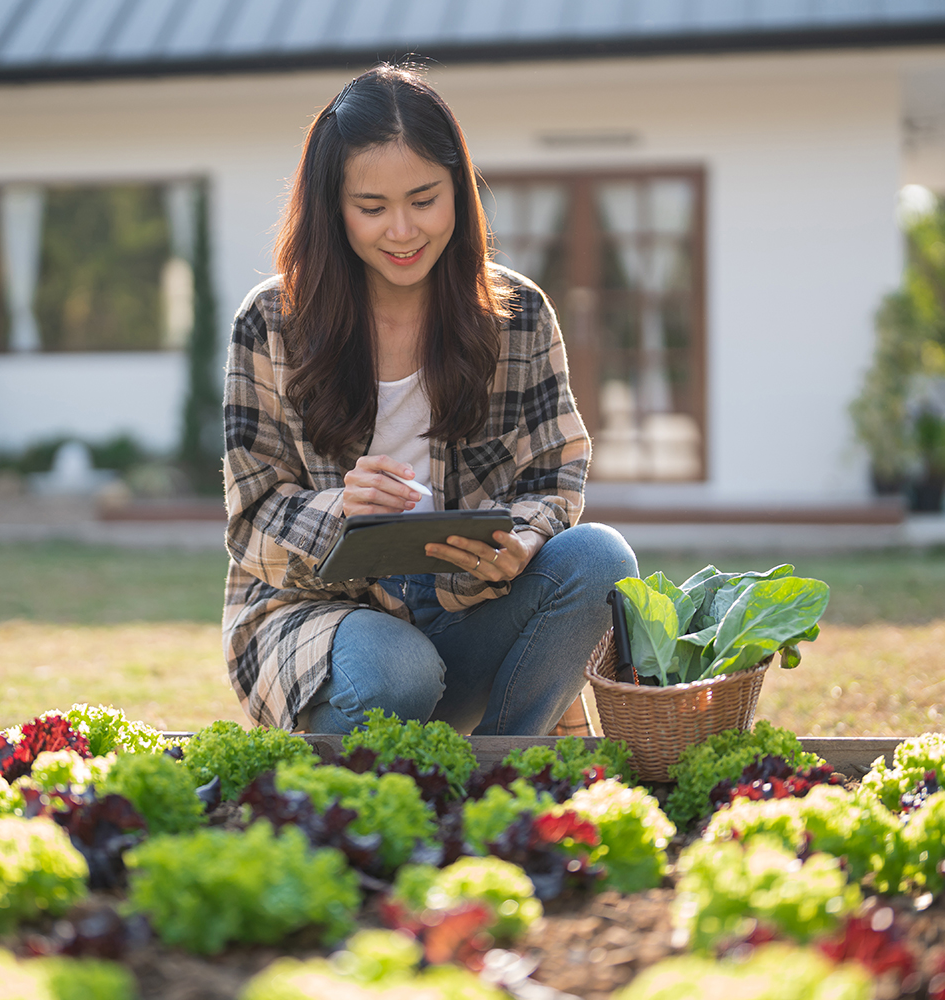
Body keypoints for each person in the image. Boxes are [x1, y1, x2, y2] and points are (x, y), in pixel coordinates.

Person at [222, 64, 637, 736]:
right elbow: (250, 526)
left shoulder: (518, 315)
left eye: (424, 199)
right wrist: (341, 511)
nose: (403, 231)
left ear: (459, 190)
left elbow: (555, 479)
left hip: (472, 600)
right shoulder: (270, 322)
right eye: (372, 208)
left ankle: (508, 768)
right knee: (397, 672)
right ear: (334, 206)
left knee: (601, 560)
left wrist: (523, 539)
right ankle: (369, 768)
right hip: (322, 616)